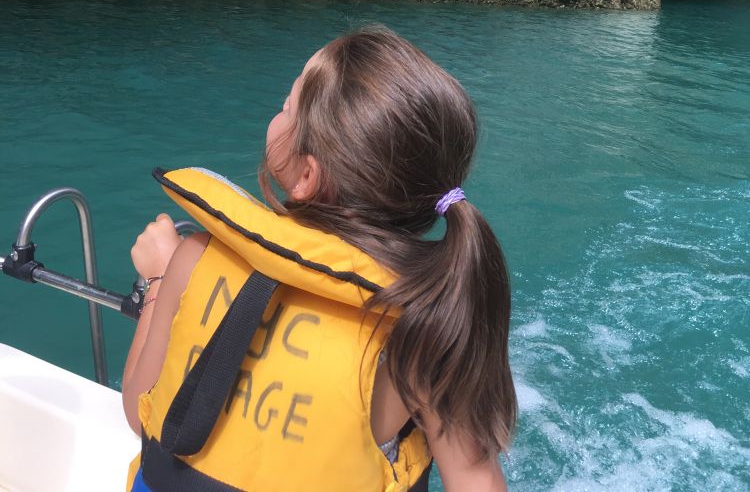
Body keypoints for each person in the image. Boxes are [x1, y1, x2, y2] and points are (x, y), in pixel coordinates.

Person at [122, 26, 516, 491]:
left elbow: (140, 412)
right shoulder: (424, 329)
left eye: (287, 106)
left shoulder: (193, 259)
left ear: (307, 175)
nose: (279, 111)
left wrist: (158, 280)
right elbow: (476, 482)